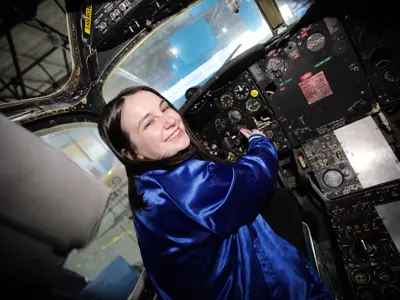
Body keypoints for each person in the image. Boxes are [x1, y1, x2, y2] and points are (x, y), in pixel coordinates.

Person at [98, 86, 334, 299]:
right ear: (130, 153)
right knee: (282, 202)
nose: (169, 121)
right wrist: (260, 143)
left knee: (280, 202)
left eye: (165, 108)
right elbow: (252, 179)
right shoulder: (180, 186)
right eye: (148, 123)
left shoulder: (145, 184)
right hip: (242, 289)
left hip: (202, 285)